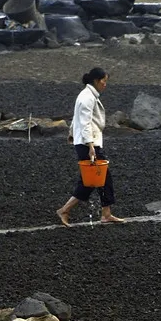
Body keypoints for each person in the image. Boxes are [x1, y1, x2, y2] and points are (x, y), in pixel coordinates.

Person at [56, 67, 125, 226]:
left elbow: (76, 117)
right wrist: (90, 145)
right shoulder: (88, 97)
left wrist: (73, 134)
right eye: (103, 81)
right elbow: (85, 122)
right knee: (93, 180)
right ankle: (65, 210)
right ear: (96, 80)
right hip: (89, 144)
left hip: (86, 142)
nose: (105, 84)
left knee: (100, 178)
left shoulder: (86, 95)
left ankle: (106, 213)